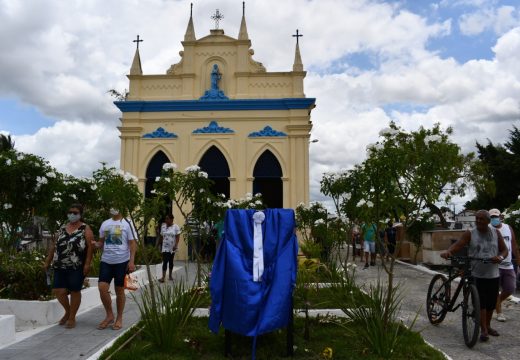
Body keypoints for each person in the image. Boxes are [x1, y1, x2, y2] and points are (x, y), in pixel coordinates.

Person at [441, 210, 508, 341]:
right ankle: (483, 329)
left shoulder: (496, 233)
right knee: (481, 303)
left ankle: (487, 325)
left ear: (488, 221)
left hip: (493, 273)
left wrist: (500, 257)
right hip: (476, 273)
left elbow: (504, 250)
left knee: (491, 303)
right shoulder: (470, 233)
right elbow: (458, 245)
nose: (478, 221)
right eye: (477, 219)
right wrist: (449, 252)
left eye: (481, 219)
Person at [43, 204, 94, 328]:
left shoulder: (85, 228)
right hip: (59, 265)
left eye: (75, 212)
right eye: (70, 212)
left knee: (75, 290)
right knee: (58, 290)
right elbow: (54, 245)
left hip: (76, 265)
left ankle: (72, 317)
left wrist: (87, 263)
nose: (72, 214)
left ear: (80, 214)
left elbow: (90, 247)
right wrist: (47, 261)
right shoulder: (62, 228)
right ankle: (68, 311)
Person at [96, 208, 136, 331]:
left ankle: (119, 318)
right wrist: (96, 244)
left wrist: (131, 261)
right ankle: (109, 315)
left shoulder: (127, 223)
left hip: (121, 261)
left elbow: (133, 243)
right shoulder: (105, 223)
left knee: (119, 290)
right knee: (102, 287)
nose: (113, 208)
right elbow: (101, 242)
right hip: (106, 261)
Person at [489, 208, 519, 322]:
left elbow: (514, 245)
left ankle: (495, 303)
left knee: (510, 288)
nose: (494, 219)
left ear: (500, 216)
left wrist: (518, 262)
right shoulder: (488, 229)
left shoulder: (508, 228)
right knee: (495, 290)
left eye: (496, 217)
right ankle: (499, 312)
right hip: (494, 265)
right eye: (491, 217)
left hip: (508, 264)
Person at [157, 213, 180, 282]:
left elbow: (178, 236)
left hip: (172, 248)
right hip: (165, 247)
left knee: (171, 261)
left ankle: (170, 276)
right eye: (165, 218)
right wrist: (158, 244)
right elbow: (161, 236)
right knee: (165, 261)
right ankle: (163, 277)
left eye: (167, 218)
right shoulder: (163, 226)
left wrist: (176, 245)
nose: (166, 220)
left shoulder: (176, 227)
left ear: (171, 219)